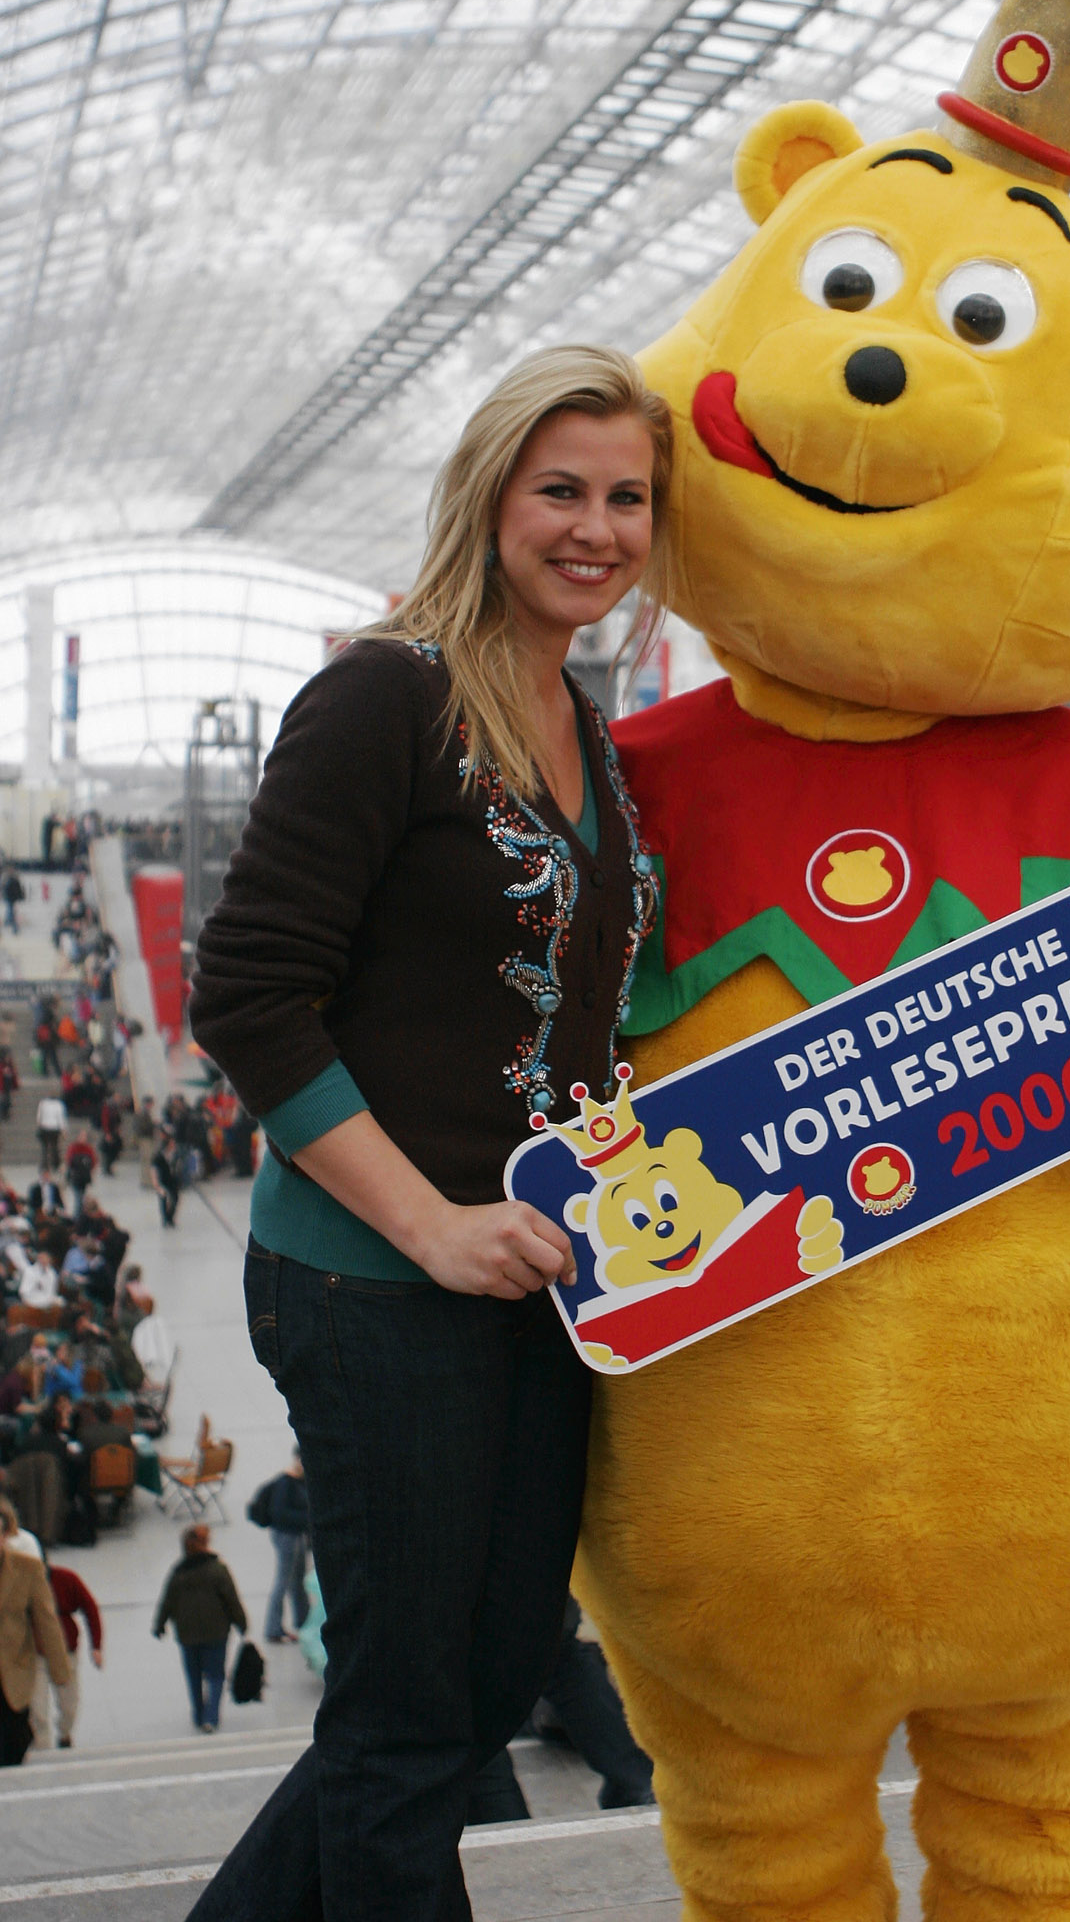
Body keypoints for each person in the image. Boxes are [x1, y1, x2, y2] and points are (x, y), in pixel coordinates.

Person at [185, 346, 669, 1922]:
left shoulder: (582, 721)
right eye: (561, 489)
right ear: (488, 494)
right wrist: (429, 1226)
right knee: (404, 1731)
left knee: (479, 1687)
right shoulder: (384, 694)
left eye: (626, 497)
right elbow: (252, 997)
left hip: (534, 1278)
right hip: (376, 1281)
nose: (593, 526)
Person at [153, 1524, 248, 1734]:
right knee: (215, 1675)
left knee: (193, 1675)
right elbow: (231, 1600)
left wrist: (159, 1625)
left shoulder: (178, 1573)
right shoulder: (218, 1570)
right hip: (216, 1631)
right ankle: (211, 1717)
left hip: (187, 1634)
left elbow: (167, 1602)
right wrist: (241, 1622)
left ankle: (198, 1713)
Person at [0, 1496, 69, 1764]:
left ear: (6, 1534)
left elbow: (47, 1620)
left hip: (14, 1665)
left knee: (15, 1737)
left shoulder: (27, 1568)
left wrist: (59, 1669)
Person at [28, 1562, 101, 1750]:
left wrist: (96, 1646)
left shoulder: (66, 1579)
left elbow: (90, 1607)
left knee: (69, 1704)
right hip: (35, 1654)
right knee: (37, 1708)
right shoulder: (22, 1582)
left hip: (66, 1651)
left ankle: (64, 1734)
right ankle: (42, 1747)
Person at [254, 1450, 310, 1644]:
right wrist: (308, 1520)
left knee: (298, 1580)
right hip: (287, 1536)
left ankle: (304, 1620)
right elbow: (279, 1513)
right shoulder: (286, 1484)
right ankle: (273, 1627)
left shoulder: (300, 1482)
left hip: (297, 1535)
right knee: (284, 1580)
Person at [151, 1132, 180, 1228]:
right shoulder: (159, 1157)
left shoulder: (175, 1155)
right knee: (163, 1198)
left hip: (172, 1180)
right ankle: (165, 1218)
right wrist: (157, 1185)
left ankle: (170, 1217)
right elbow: (154, 1170)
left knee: (175, 1198)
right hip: (162, 1180)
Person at [35, 1092, 66, 1173]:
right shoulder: (59, 1104)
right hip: (55, 1128)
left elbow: (39, 1117)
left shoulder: (43, 1103)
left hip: (44, 1127)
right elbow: (61, 1118)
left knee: (45, 1148)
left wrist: (39, 1125)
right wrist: (63, 1130)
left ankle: (44, 1165)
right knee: (55, 1148)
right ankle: (56, 1164)